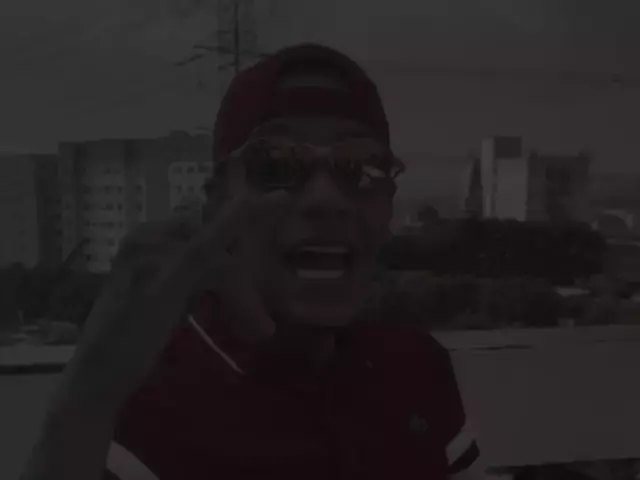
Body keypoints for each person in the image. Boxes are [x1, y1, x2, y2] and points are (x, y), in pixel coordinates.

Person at [21, 43, 481, 480]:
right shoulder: (143, 413)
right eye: (276, 164)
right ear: (216, 206)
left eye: (363, 165)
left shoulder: (416, 370)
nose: (326, 199)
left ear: (388, 206)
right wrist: (89, 395)